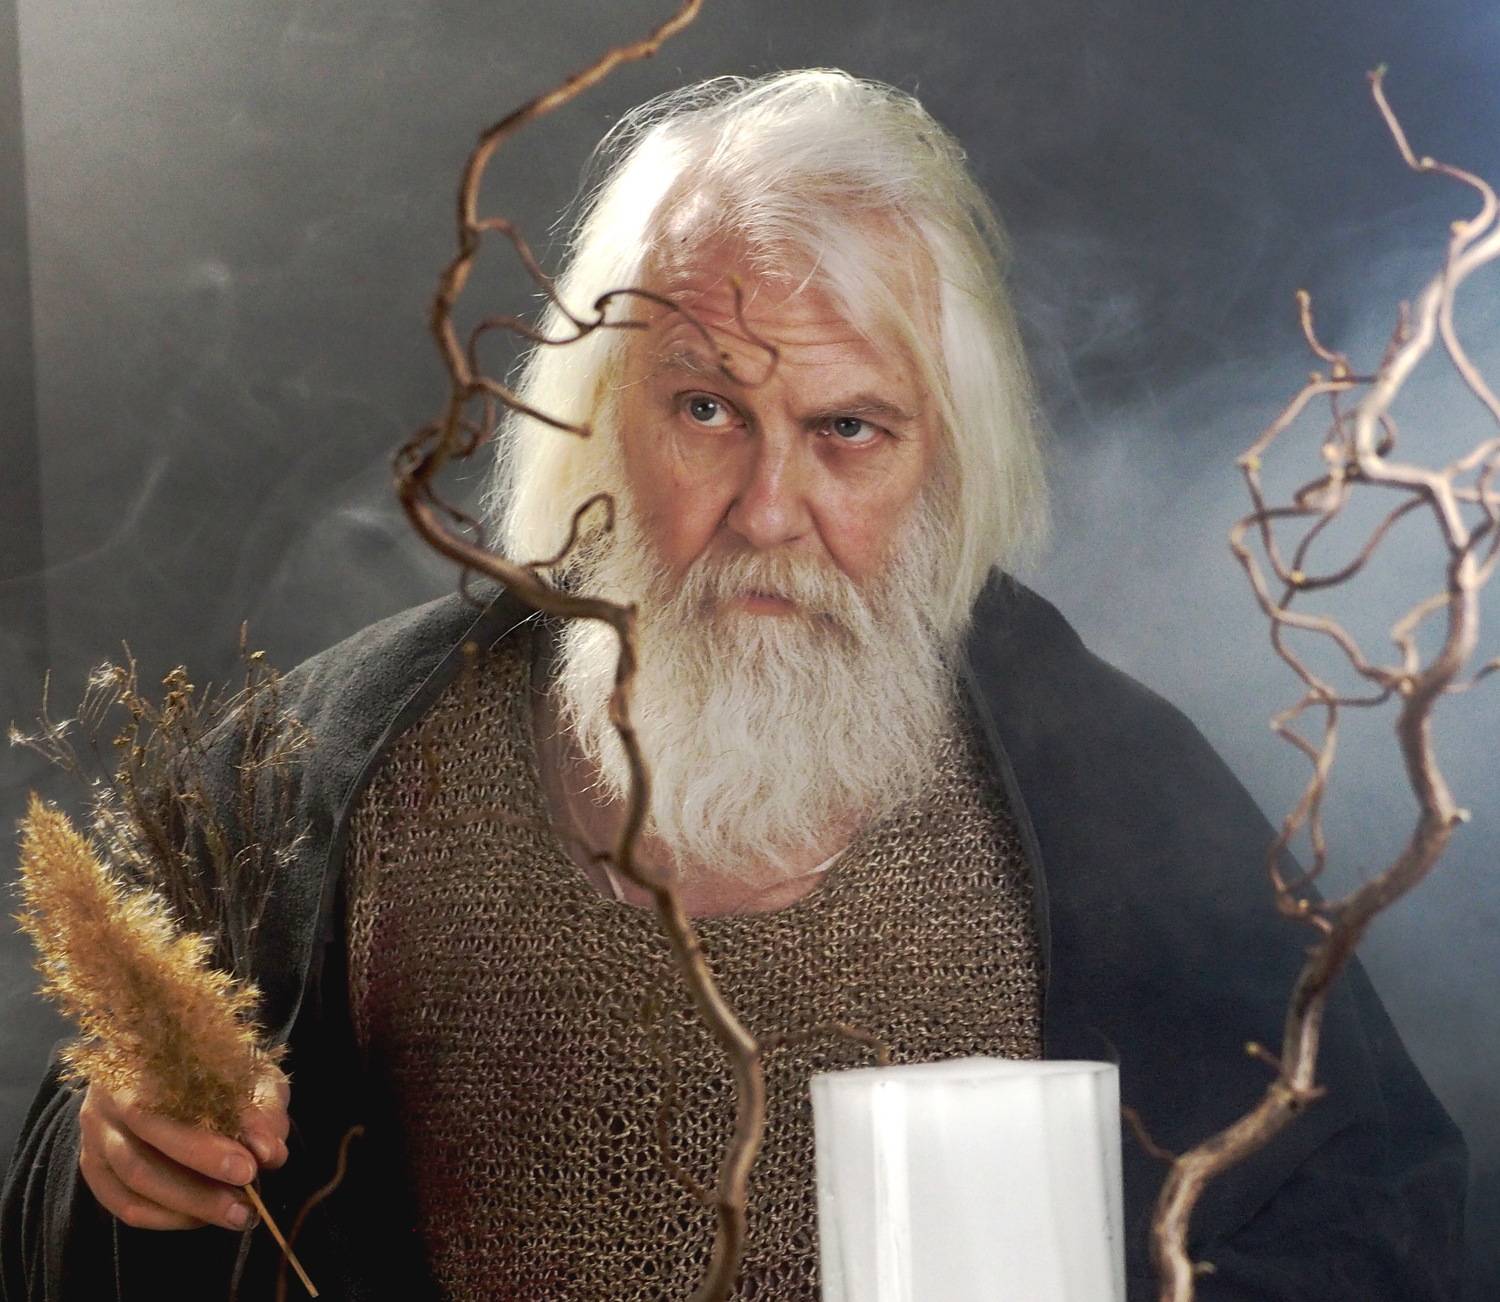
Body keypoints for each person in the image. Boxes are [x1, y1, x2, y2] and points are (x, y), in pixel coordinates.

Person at [1, 71, 1467, 1301]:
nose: (768, 510)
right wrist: (112, 1162)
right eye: (706, 408)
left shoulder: (1107, 787)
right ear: (598, 417)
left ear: (945, 459)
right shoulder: (342, 764)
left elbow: (1377, 1215)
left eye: (848, 429)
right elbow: (72, 1207)